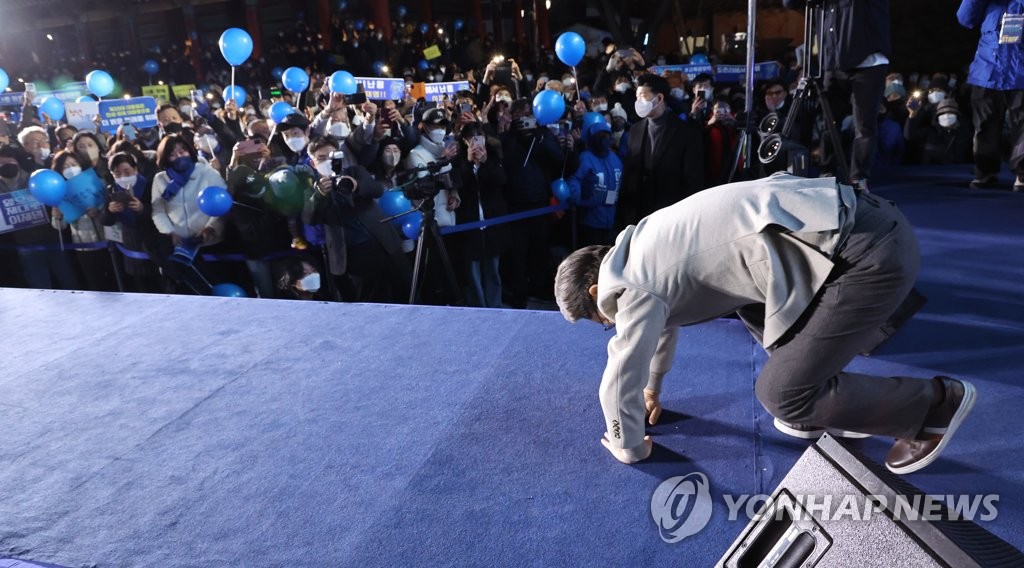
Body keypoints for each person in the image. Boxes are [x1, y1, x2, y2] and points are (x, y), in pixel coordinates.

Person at [554, 173, 976, 474]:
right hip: (867, 225)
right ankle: (819, 399)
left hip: (868, 257)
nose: (612, 321)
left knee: (780, 394)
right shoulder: (641, 247)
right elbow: (659, 326)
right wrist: (653, 388)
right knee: (748, 302)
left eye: (601, 320)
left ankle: (934, 406)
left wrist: (626, 444)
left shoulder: (629, 286)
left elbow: (616, 376)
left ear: (595, 292)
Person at [783, 0, 891, 192]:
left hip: (868, 60)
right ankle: (827, 171)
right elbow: (790, 2)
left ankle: (859, 176)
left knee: (864, 124)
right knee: (829, 121)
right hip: (834, 61)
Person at [618, 73, 704, 228]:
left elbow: (692, 179)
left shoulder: (686, 132)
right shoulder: (635, 130)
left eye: (643, 96)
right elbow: (628, 174)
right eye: (637, 97)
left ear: (659, 99)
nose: (638, 101)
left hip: (671, 214)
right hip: (638, 214)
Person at [957, 0, 1024, 191]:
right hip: (987, 70)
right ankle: (985, 172)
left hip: (1020, 70)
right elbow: (965, 19)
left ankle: (1022, 173)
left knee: (1023, 125)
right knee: (985, 124)